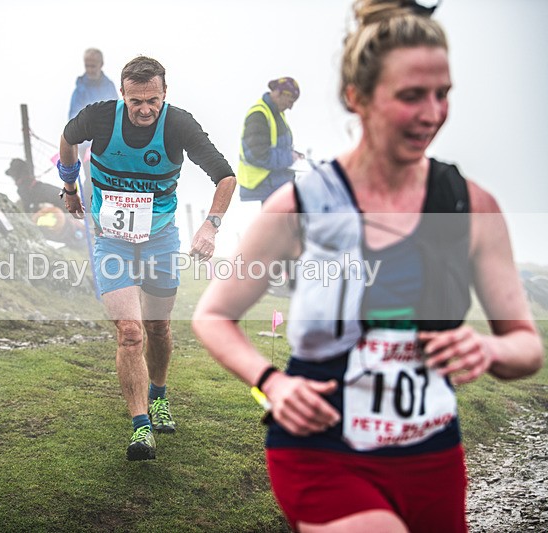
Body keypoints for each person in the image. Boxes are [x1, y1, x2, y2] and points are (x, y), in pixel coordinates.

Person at [193, 1, 544, 531]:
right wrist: (272, 383)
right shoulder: (297, 207)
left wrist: (489, 347)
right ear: (356, 98)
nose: (431, 114)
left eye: (442, 94)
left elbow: (525, 346)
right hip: (321, 450)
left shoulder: (472, 205)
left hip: (433, 458)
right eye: (410, 96)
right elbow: (213, 315)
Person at [58, 55, 236, 461]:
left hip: (159, 240)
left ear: (164, 95)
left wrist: (210, 226)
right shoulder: (100, 118)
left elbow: (225, 176)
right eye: (135, 100)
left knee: (157, 328)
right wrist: (69, 187)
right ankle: (141, 427)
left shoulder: (178, 124)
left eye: (152, 100)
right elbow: (68, 137)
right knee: (130, 331)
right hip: (112, 241)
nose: (144, 109)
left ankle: (158, 394)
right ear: (122, 95)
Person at [237, 76, 303, 204]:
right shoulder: (258, 115)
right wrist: (289, 158)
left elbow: (278, 146)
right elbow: (258, 155)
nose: (290, 107)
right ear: (278, 93)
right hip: (263, 186)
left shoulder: (277, 114)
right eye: (289, 101)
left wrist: (295, 155)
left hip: (276, 186)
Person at [68, 48, 120, 204]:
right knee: (91, 179)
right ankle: (91, 214)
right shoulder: (80, 90)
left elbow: (117, 111)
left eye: (93, 65)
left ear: (101, 64)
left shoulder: (109, 86)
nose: (90, 69)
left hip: (109, 143)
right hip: (87, 145)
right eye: (87, 65)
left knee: (110, 178)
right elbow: (73, 117)